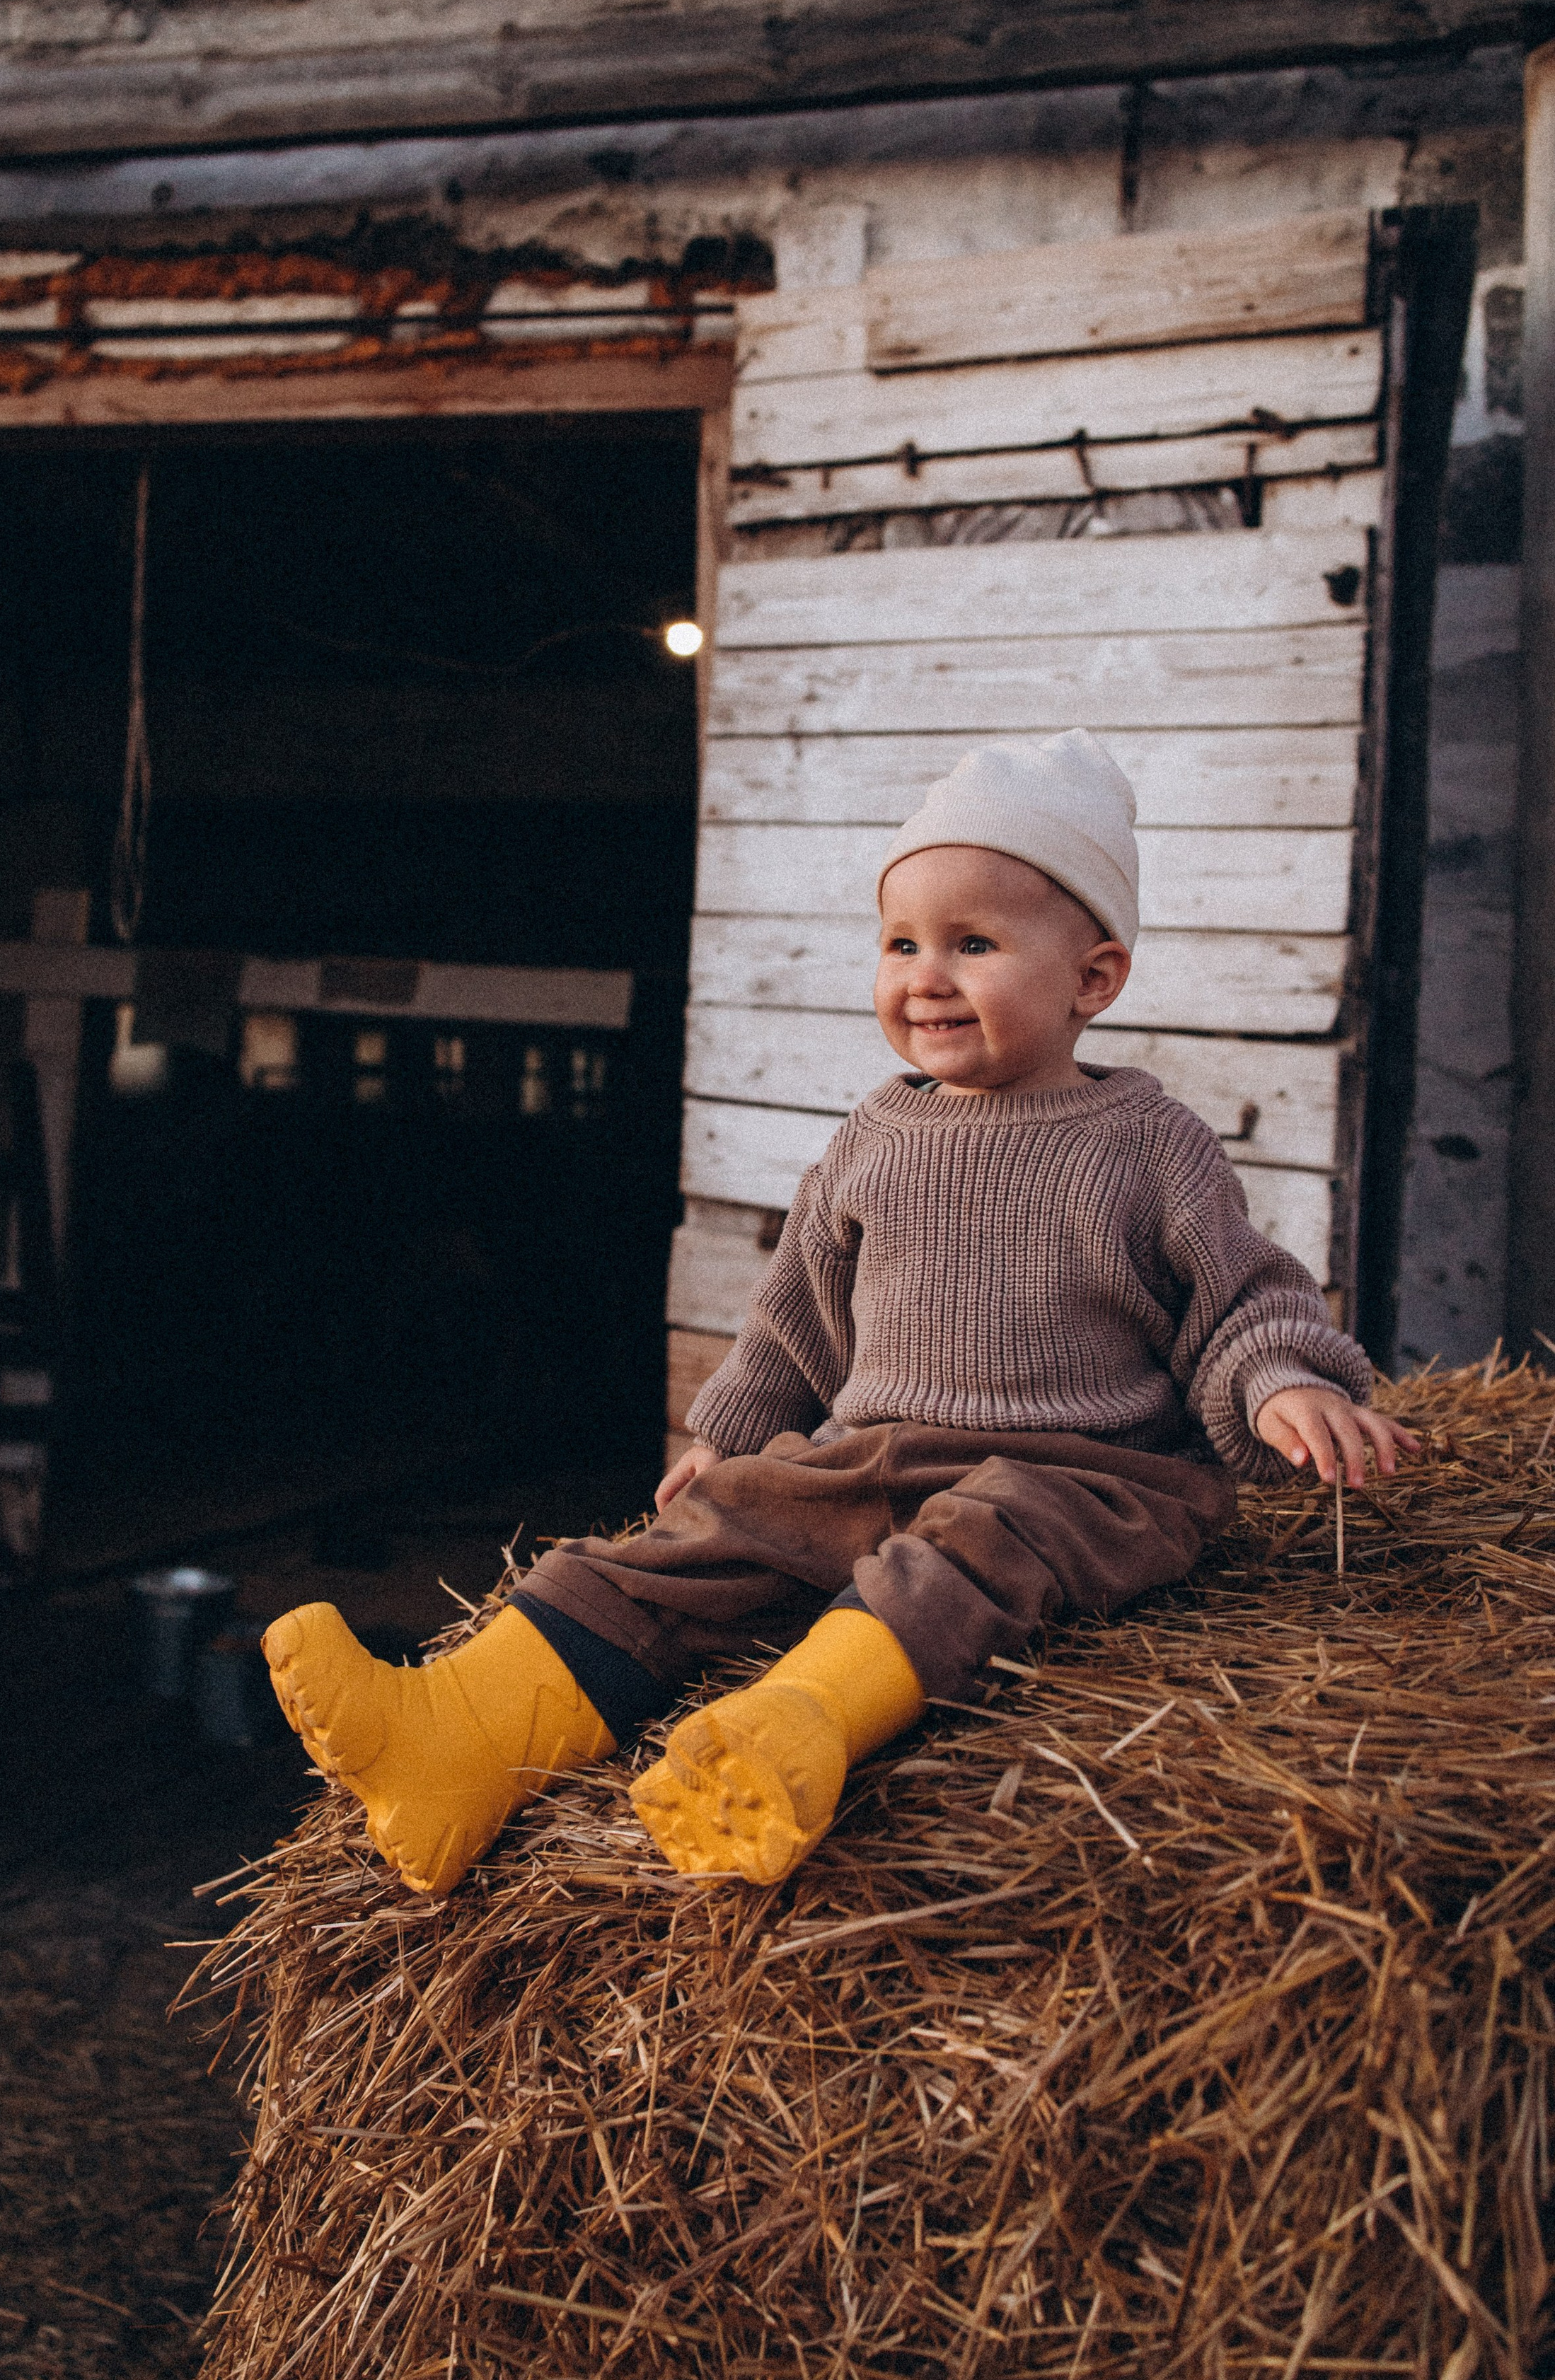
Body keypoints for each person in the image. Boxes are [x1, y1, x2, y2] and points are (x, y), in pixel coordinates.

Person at [263, 728, 1415, 1898]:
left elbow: (1241, 1298)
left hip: (1086, 1477)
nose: (925, 974)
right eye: (901, 943)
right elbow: (796, 1312)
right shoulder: (877, 1136)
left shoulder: (1148, 1144)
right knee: (709, 1537)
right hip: (883, 1458)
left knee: (978, 1541)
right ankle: (457, 1732)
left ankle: (794, 1722)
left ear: (1093, 980)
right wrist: (726, 1434)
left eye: (974, 944)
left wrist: (1286, 1383)